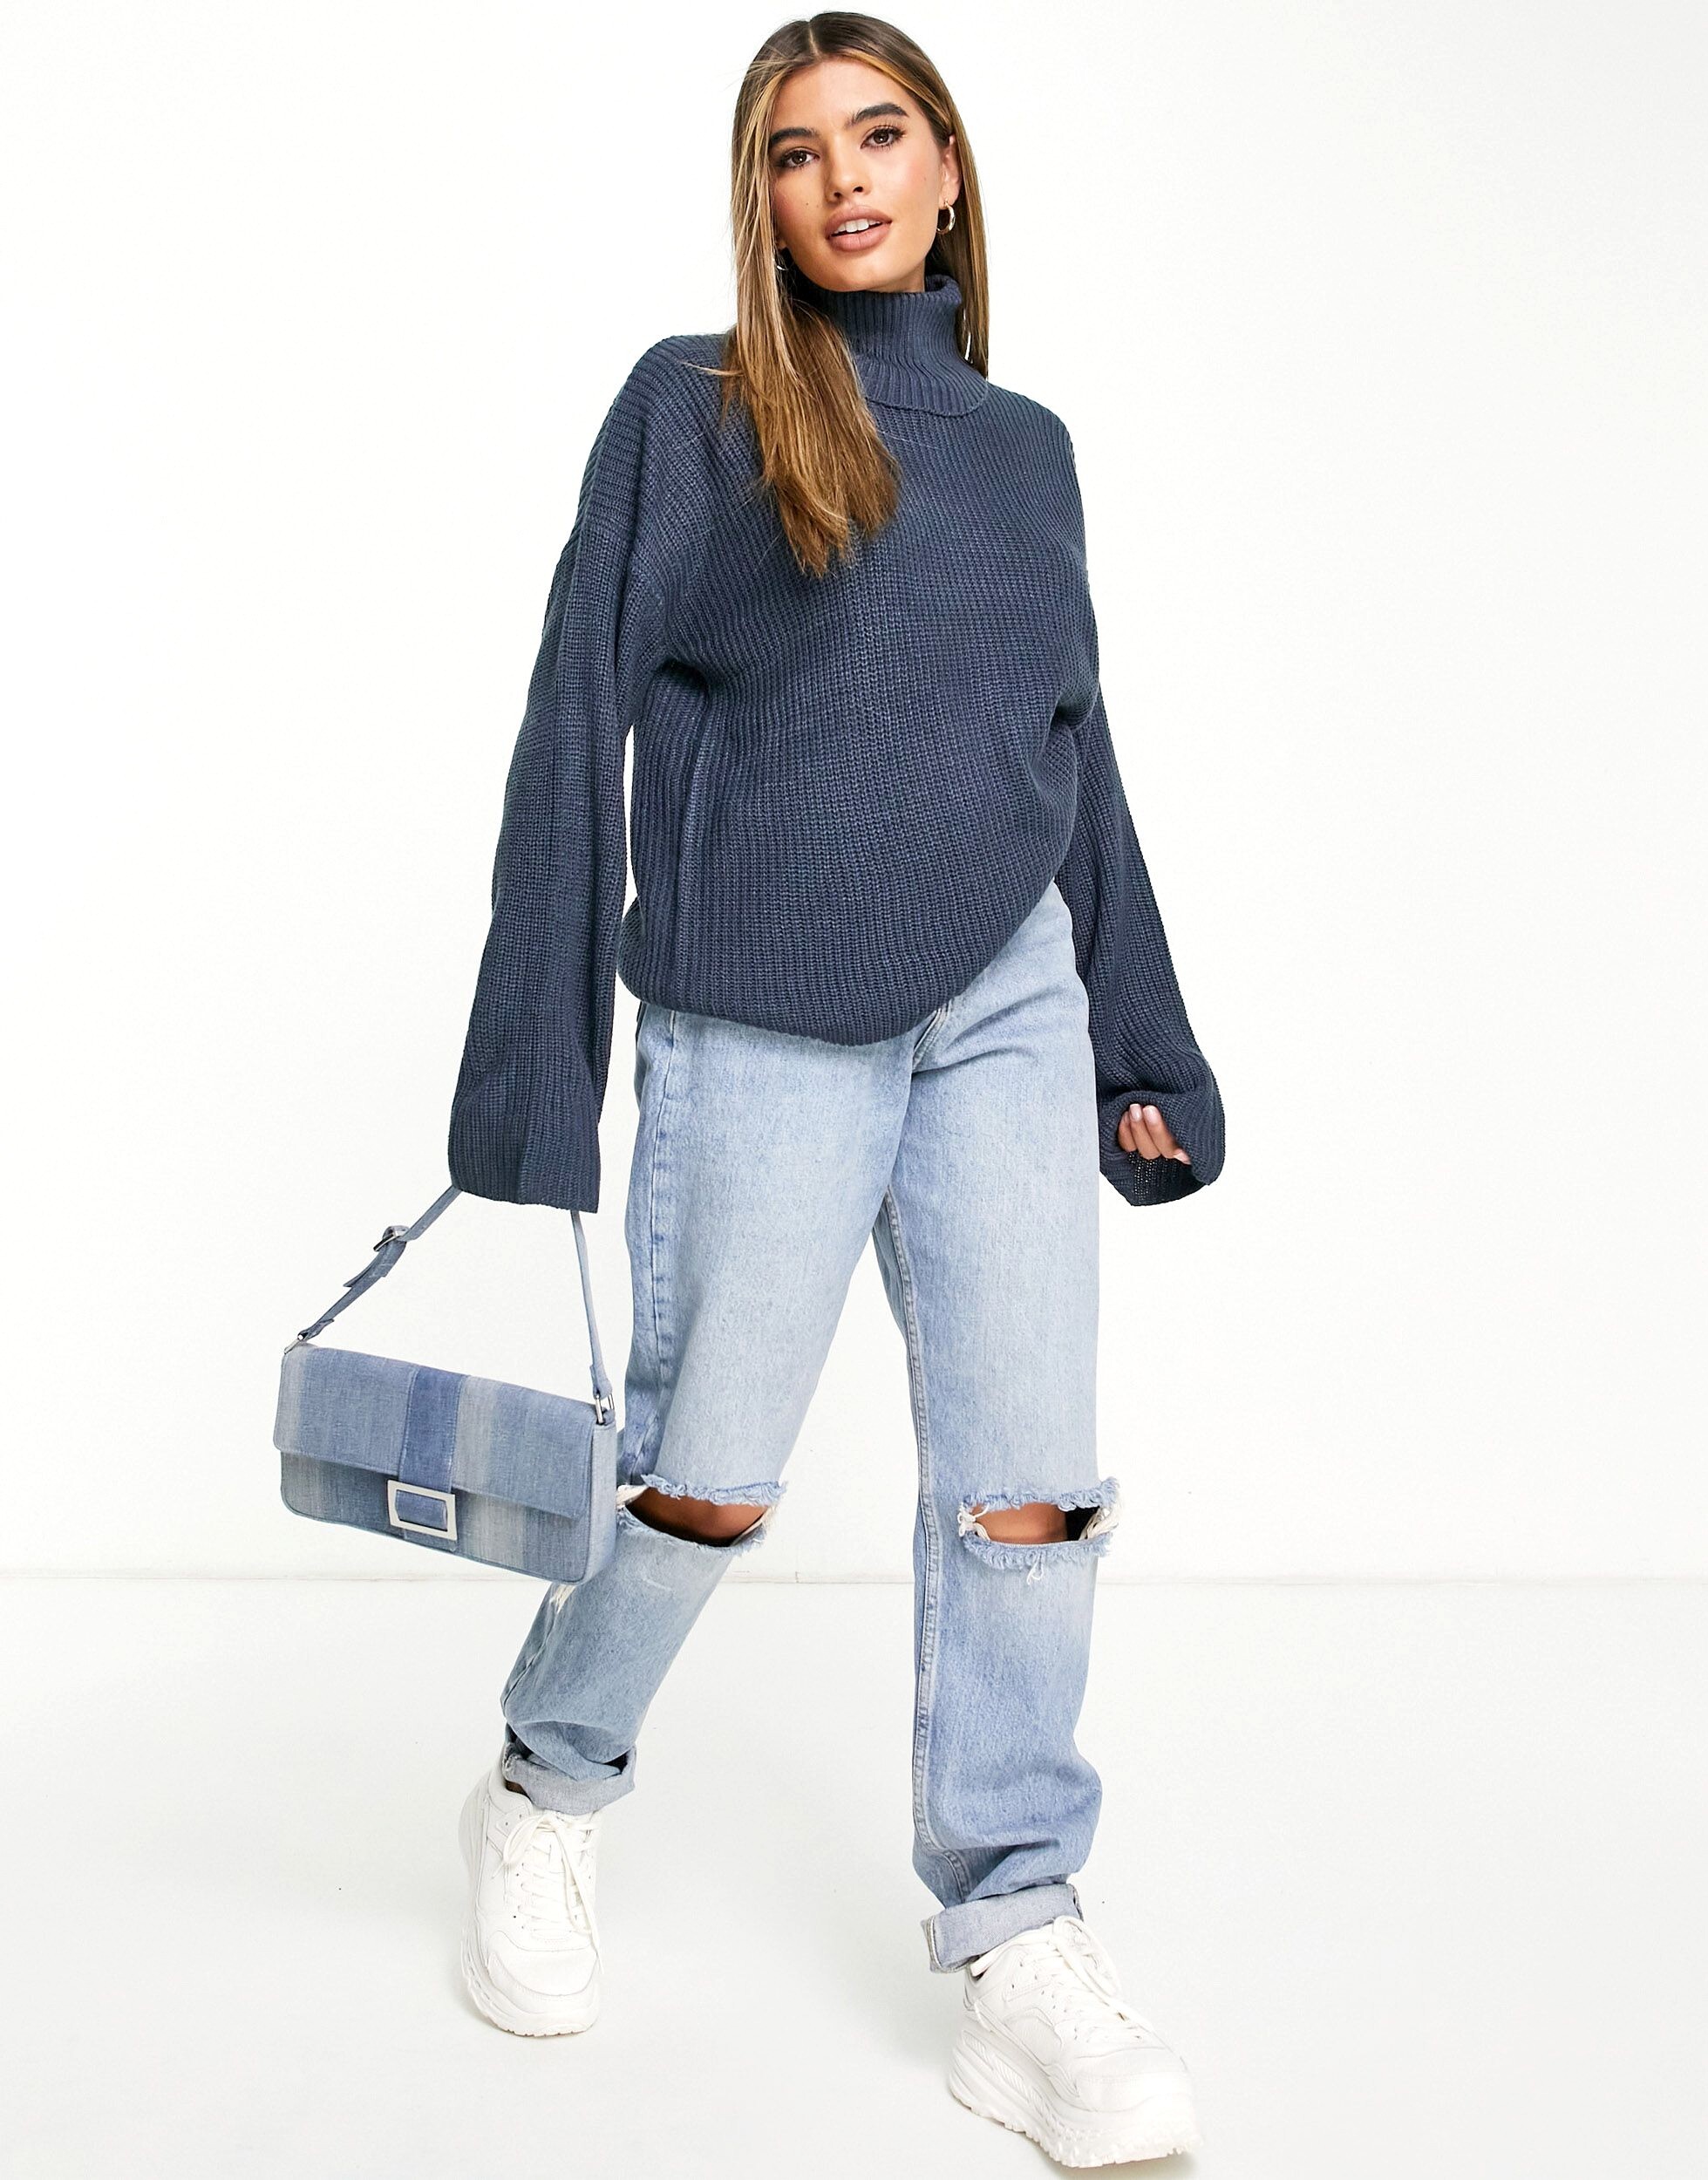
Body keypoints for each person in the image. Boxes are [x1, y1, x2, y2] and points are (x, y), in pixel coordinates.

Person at [446, 15, 1224, 2166]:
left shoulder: (1025, 450)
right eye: (796, 152)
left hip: (1006, 1003)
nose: (846, 179)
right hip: (761, 1006)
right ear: (761, 197)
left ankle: (1017, 1932)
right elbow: (571, 710)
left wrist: (1138, 1037)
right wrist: (531, 1067)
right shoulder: (691, 408)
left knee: (1027, 1491)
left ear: (948, 169)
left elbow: (1074, 755)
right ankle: (544, 1784)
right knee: (701, 1472)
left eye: (882, 137)